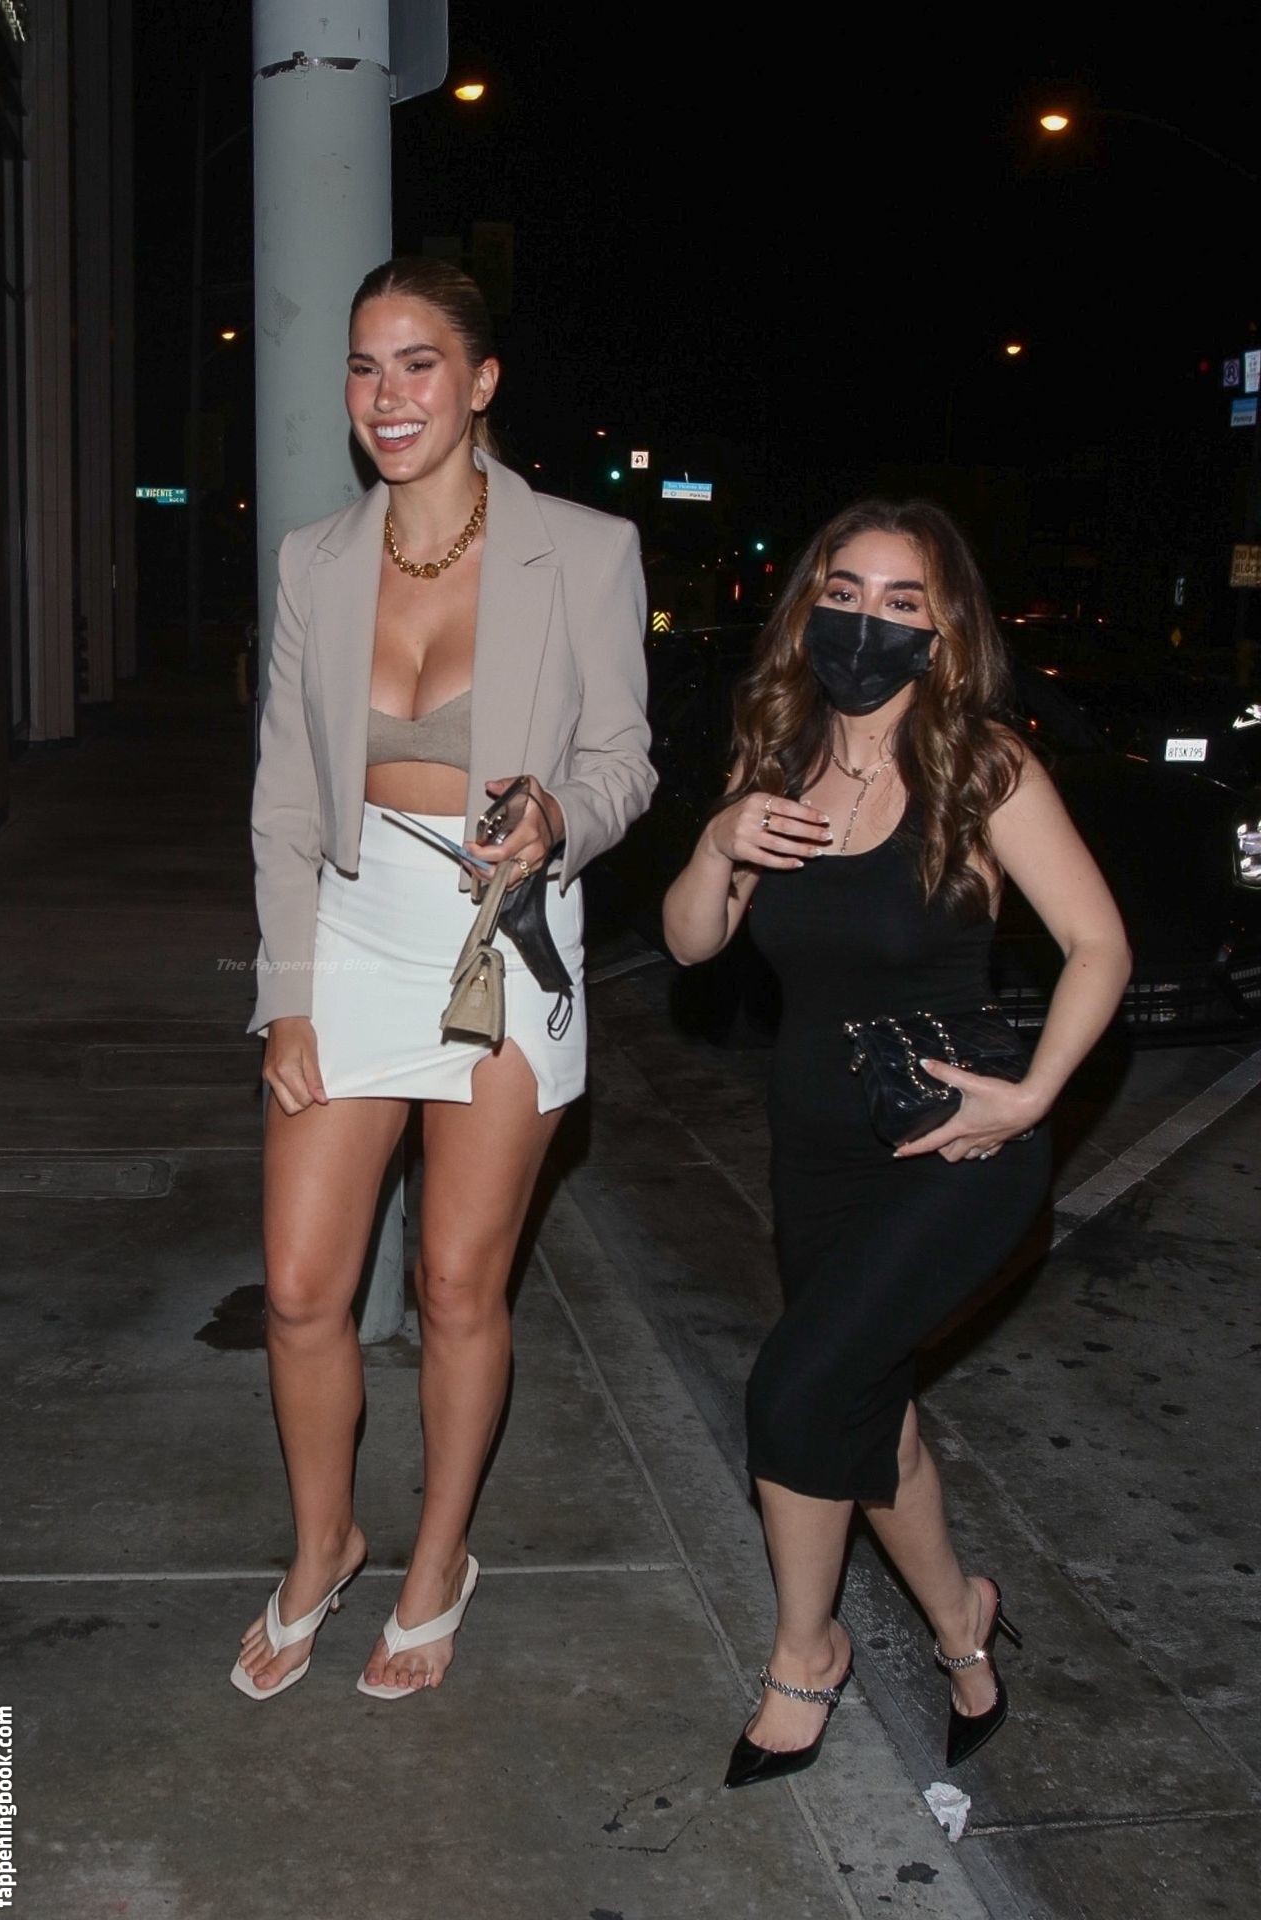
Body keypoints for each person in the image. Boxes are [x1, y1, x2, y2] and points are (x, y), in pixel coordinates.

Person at [231, 257, 655, 1702]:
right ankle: (326, 1541)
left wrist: (561, 817)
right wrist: (289, 992)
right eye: (364, 365)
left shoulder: (583, 550)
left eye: (419, 363)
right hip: (351, 930)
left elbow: (625, 759)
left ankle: (437, 1557)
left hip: (499, 940)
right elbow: (286, 795)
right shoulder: (315, 560)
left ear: (480, 381)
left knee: (457, 1285)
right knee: (302, 1290)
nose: (387, 394)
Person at [661, 499, 1130, 1787]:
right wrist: (715, 838)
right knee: (870, 1412)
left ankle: (804, 1652)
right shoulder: (775, 753)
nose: (868, 621)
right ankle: (962, 1622)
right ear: (809, 605)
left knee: (796, 1393)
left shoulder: (984, 766)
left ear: (945, 629)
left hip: (956, 1141)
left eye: (902, 601)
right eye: (846, 593)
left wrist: (1033, 1098)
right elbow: (694, 943)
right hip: (814, 1146)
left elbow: (1099, 945)